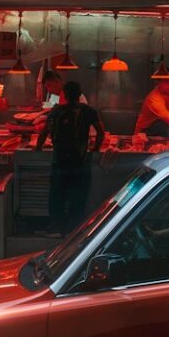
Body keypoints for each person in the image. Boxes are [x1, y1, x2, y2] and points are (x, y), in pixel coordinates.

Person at [36, 81, 105, 235]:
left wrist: (38, 148)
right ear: (80, 94)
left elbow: (45, 131)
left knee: (56, 197)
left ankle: (55, 227)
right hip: (80, 162)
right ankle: (75, 231)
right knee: (78, 198)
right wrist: (95, 148)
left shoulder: (56, 110)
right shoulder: (89, 111)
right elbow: (101, 132)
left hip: (59, 161)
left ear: (65, 95)